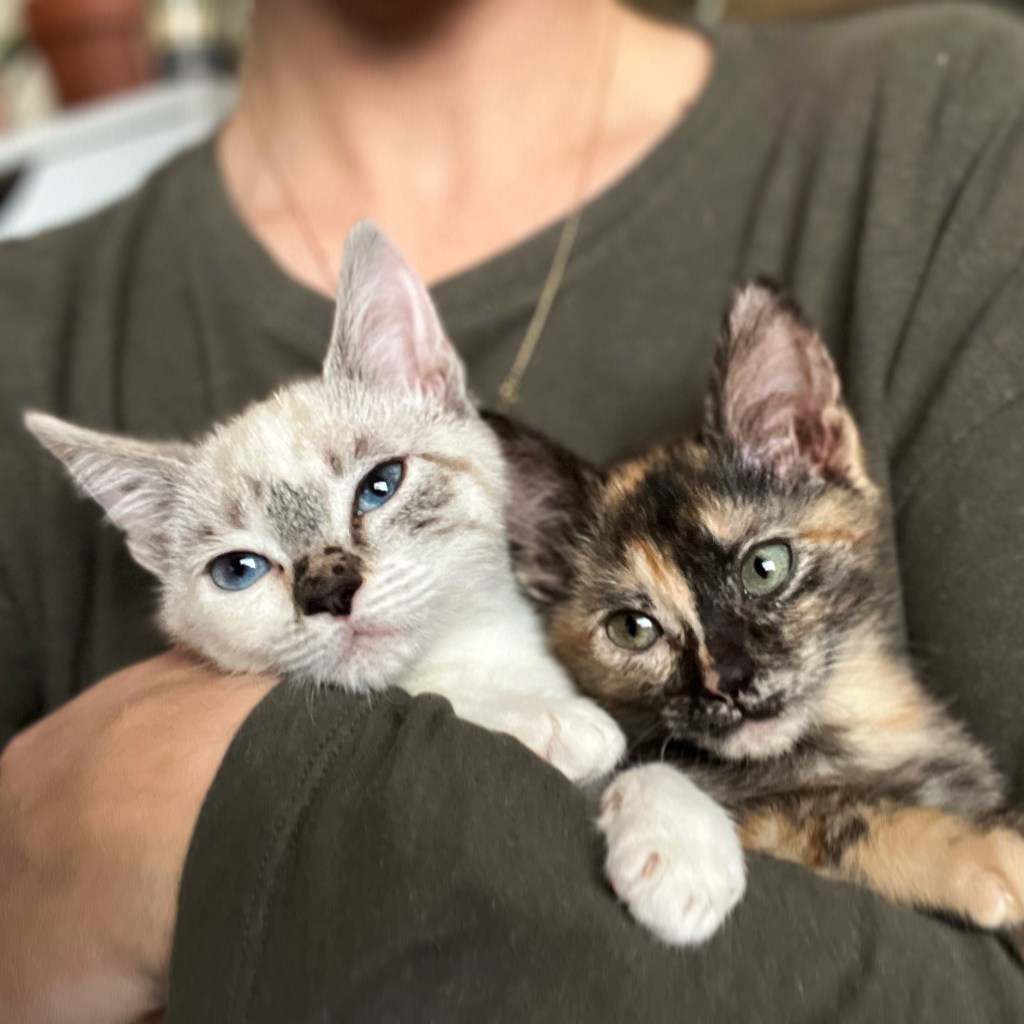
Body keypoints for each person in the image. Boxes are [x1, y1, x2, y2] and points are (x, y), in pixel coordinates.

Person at [2, 0, 1024, 1020]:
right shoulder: (30, 338)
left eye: (377, 490)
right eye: (239, 566)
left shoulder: (947, 132)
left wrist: (229, 809)